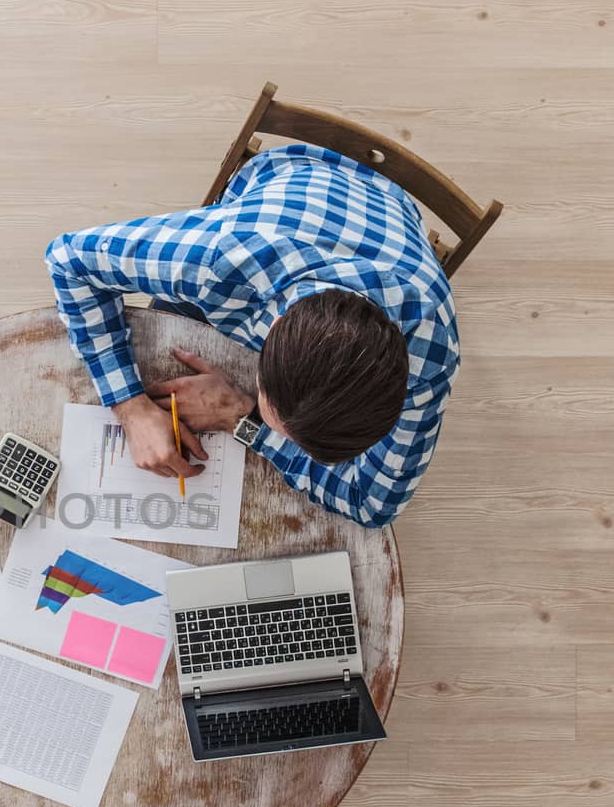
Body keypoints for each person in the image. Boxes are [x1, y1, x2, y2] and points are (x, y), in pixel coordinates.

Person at [45, 144, 457, 528]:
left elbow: (370, 504)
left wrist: (244, 418)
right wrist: (130, 408)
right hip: (295, 174)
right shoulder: (220, 258)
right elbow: (68, 259)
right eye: (267, 409)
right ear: (273, 327)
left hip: (394, 222)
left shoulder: (429, 356)